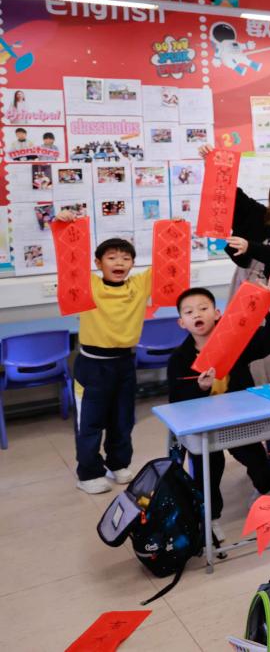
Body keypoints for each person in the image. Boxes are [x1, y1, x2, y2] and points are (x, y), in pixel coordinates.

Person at [166, 284, 270, 540]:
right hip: (203, 425)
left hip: (237, 417)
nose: (197, 314)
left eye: (203, 308)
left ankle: (264, 492)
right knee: (208, 469)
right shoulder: (180, 358)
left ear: (217, 313)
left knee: (258, 462)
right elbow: (175, 399)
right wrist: (199, 387)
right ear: (182, 322)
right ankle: (211, 517)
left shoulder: (235, 341)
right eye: (189, 312)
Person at [201, 145, 270, 385]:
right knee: (241, 344)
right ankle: (244, 393)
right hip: (245, 285)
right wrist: (213, 166)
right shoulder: (257, 215)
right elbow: (233, 195)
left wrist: (250, 247)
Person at [55, 209, 152, 494]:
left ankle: (118, 463)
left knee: (123, 419)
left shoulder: (138, 286)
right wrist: (63, 223)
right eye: (111, 257)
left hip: (125, 362)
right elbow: (68, 258)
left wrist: (177, 231)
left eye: (126, 258)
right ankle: (88, 473)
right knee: (90, 422)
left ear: (133, 263)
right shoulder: (88, 284)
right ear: (98, 263)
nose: (119, 262)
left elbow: (171, 262)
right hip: (92, 365)